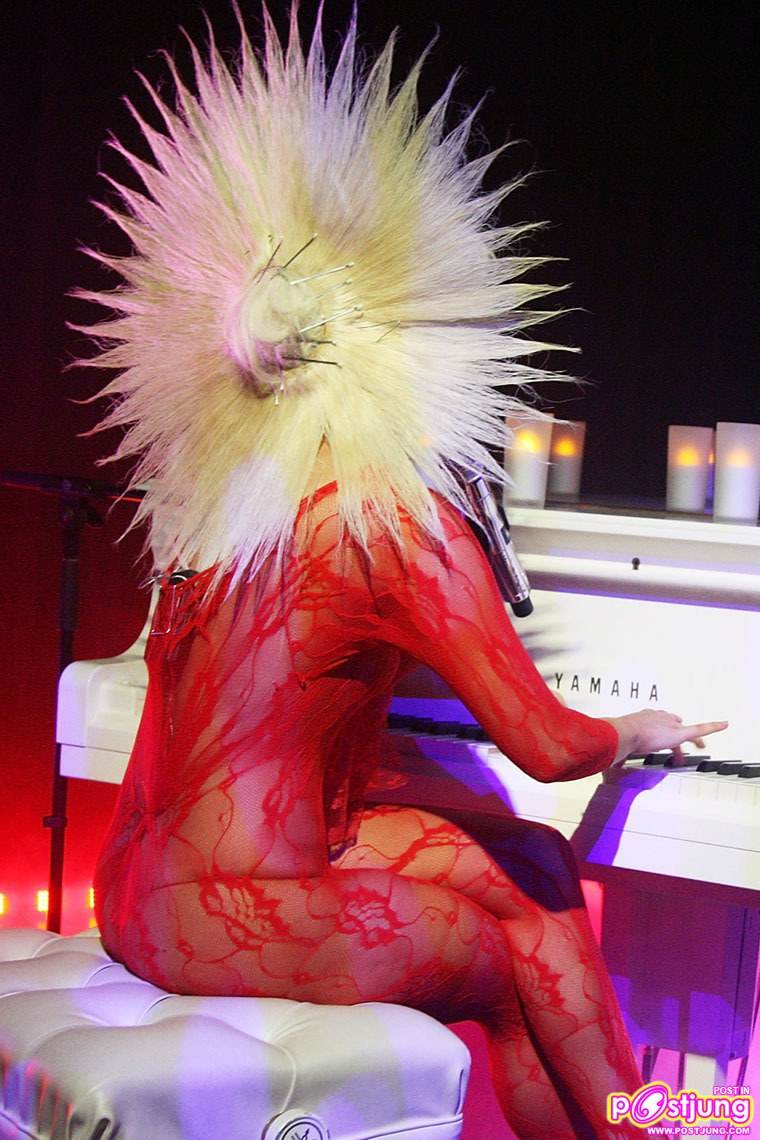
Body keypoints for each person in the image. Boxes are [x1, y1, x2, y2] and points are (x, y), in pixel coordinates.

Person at [81, 9, 726, 1137]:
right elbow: (545, 745)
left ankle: (639, 1124)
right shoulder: (396, 521)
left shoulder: (220, 496)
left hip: (133, 882)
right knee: (507, 965)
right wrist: (634, 730)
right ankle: (638, 1124)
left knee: (533, 866)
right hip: (227, 911)